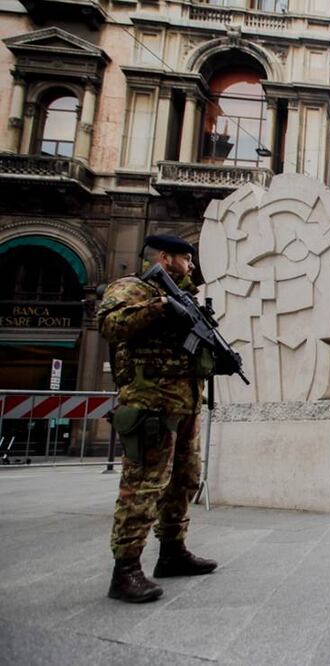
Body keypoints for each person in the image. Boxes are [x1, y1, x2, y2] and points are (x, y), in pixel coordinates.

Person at [99, 234, 217, 603]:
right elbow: (110, 324)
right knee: (144, 485)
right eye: (187, 259)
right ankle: (126, 570)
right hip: (149, 405)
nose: (192, 266)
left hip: (184, 407)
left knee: (183, 480)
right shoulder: (133, 289)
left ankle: (172, 552)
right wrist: (159, 307)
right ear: (165, 258)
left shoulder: (187, 299)